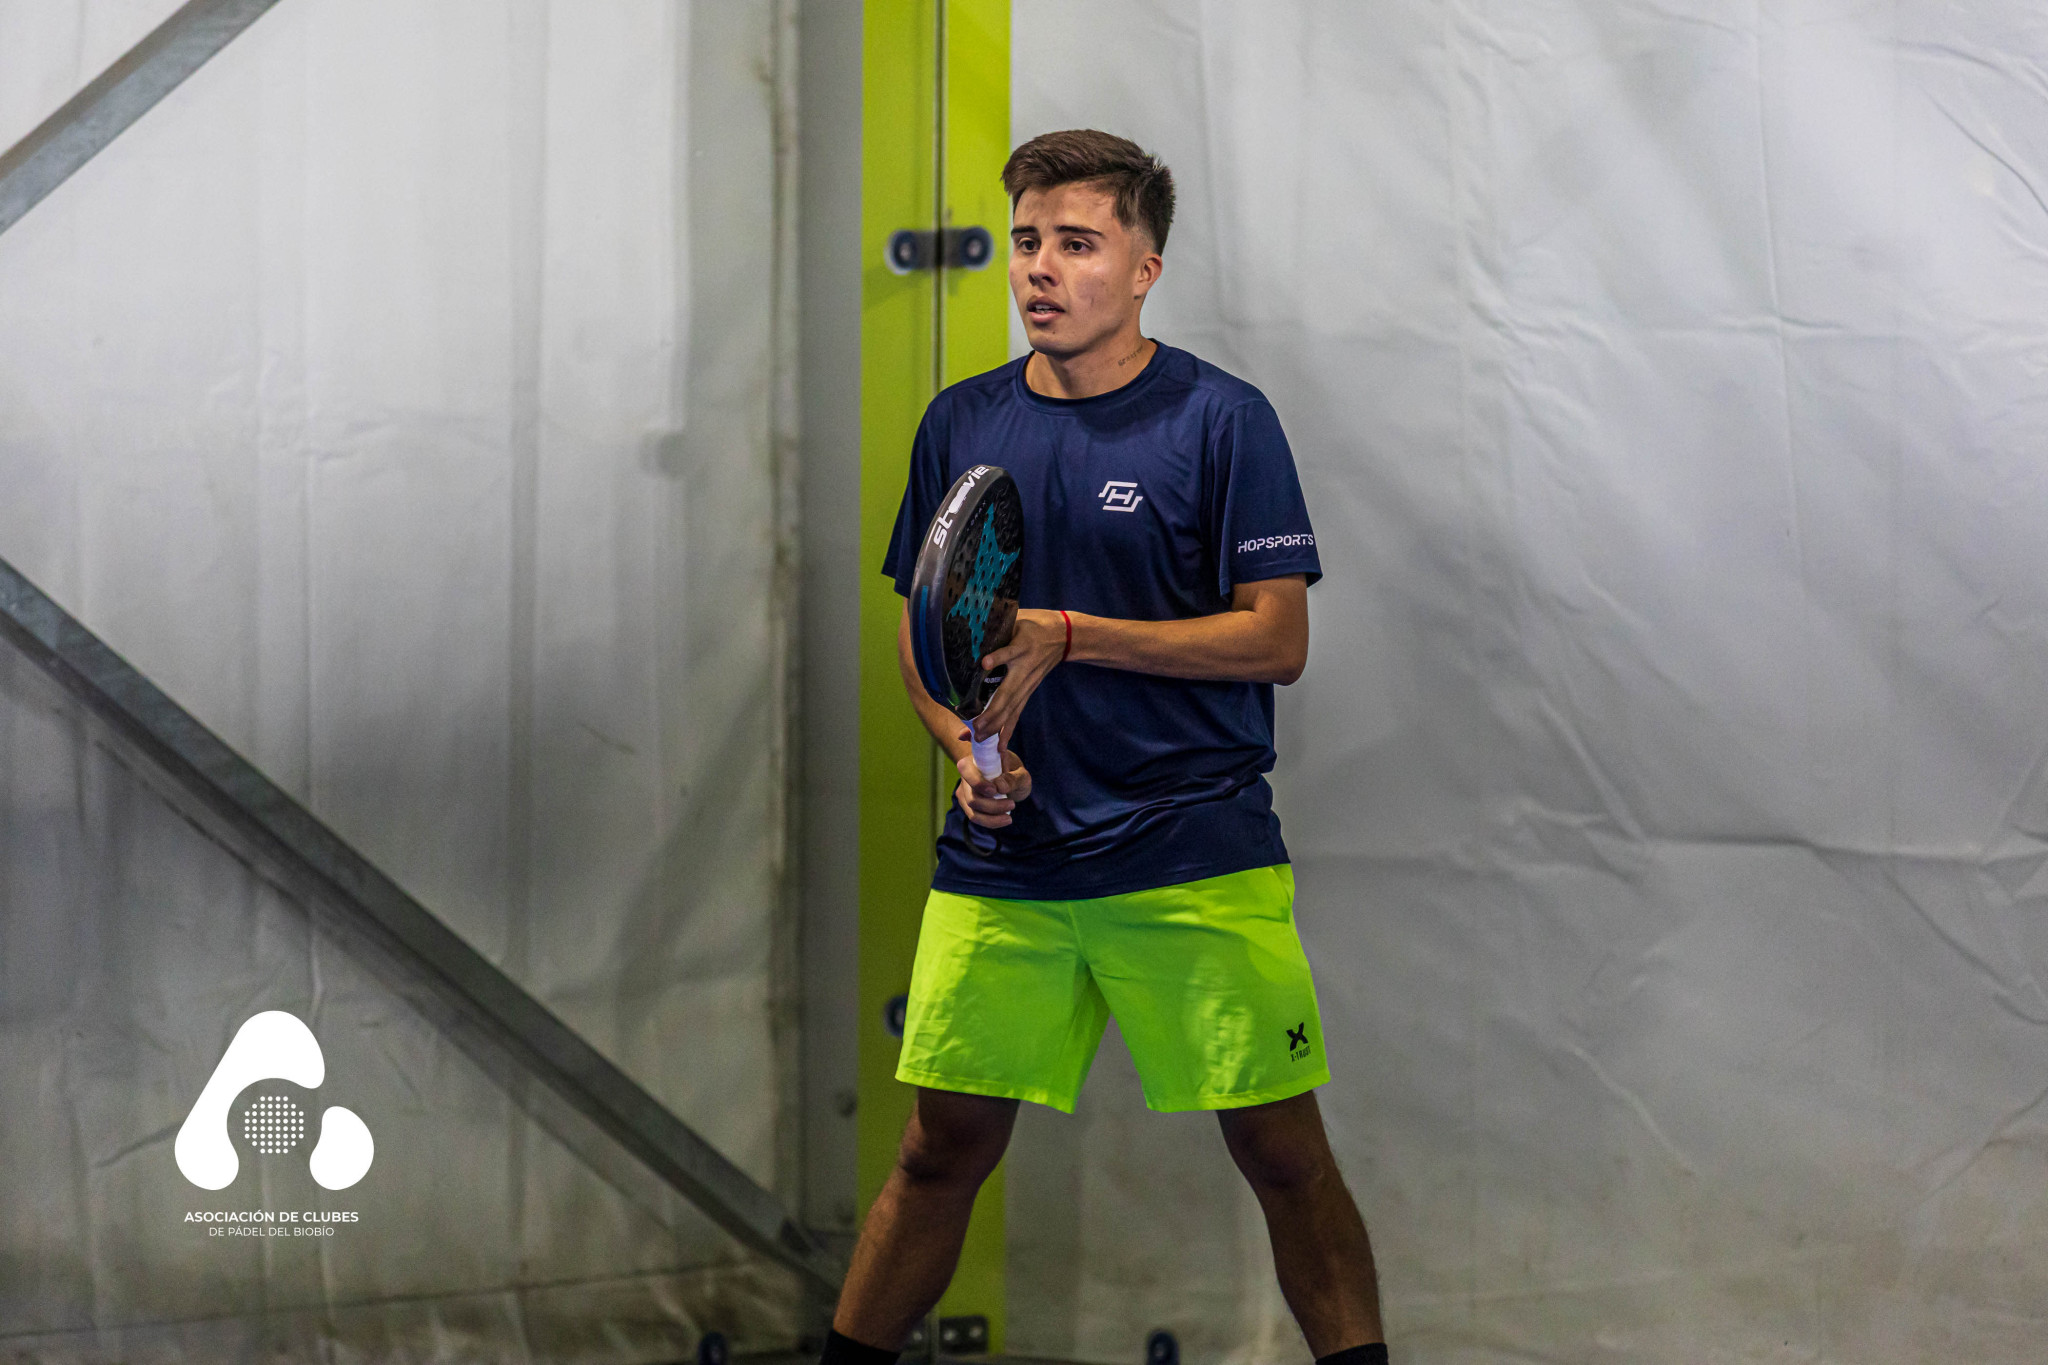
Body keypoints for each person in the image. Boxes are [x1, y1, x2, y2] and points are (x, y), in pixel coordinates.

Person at [824, 129, 1386, 1365]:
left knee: (1282, 1156)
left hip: (1192, 851)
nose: (1040, 268)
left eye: (1077, 243)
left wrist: (1070, 634)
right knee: (935, 1153)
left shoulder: (1221, 421)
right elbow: (926, 635)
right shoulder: (959, 420)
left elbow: (1275, 639)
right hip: (1005, 866)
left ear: (1143, 270)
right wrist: (968, 752)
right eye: (1026, 241)